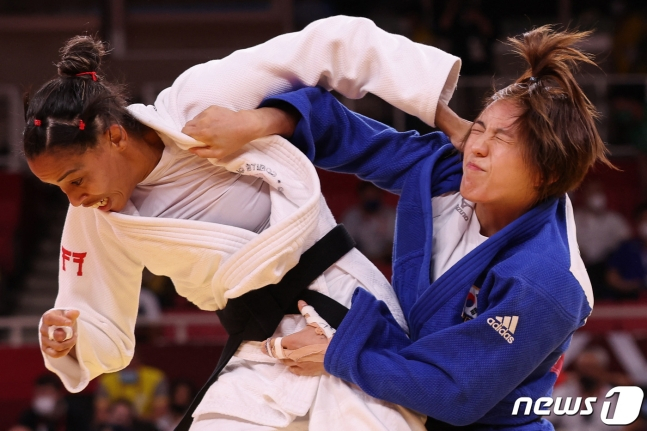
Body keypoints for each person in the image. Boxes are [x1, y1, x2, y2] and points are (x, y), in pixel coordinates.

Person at [27, 16, 463, 431]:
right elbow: (97, 320)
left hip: (343, 306)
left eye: (76, 179)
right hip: (258, 347)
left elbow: (338, 41)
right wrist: (70, 337)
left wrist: (447, 119)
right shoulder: (98, 216)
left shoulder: (198, 102)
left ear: (115, 137)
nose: (75, 199)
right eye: (59, 189)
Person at [190, 26, 608, 430]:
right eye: (479, 128)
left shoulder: (546, 281)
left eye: (502, 140)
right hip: (389, 383)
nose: (477, 147)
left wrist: (342, 353)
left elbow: (456, 393)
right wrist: (255, 124)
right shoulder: (446, 172)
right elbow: (346, 134)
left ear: (548, 173)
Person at [574, 180, 631, 296]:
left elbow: (626, 245)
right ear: (583, 196)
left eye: (598, 191)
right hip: (582, 268)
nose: (596, 195)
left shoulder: (615, 219)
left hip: (608, 269)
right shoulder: (573, 218)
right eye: (591, 192)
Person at [341, 181, 396, 264]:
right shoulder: (352, 216)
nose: (371, 199)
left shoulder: (391, 215)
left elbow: (395, 243)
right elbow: (345, 243)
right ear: (361, 196)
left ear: (380, 196)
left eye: (374, 196)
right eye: (368, 196)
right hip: (359, 262)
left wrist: (380, 258)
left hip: (388, 262)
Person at [605, 201, 647, 300]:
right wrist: (632, 286)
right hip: (631, 301)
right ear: (637, 223)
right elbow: (612, 277)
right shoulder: (626, 248)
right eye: (643, 220)